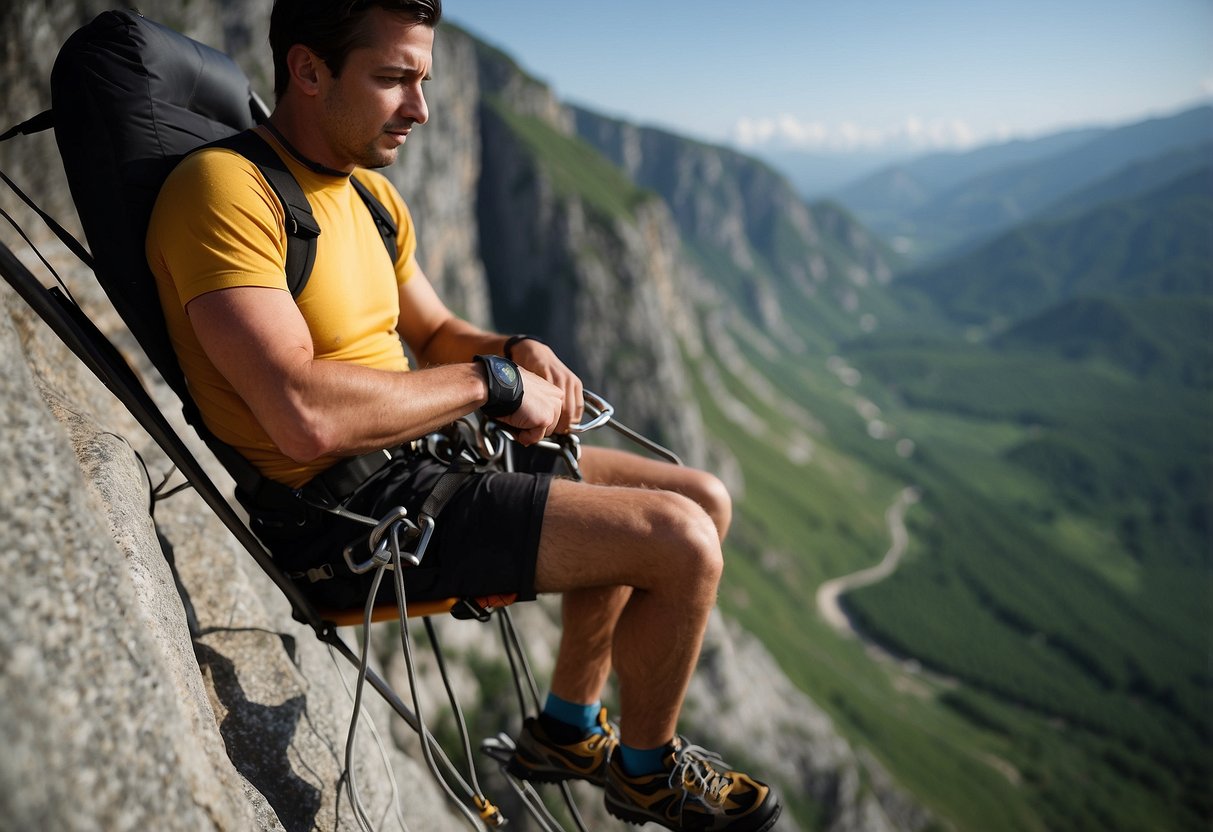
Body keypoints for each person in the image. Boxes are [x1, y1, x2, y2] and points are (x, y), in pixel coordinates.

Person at [146, 2, 781, 829]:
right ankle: (645, 774)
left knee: (703, 499)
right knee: (680, 544)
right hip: (347, 518)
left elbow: (437, 332)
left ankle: (568, 728)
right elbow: (303, 415)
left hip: (427, 466)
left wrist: (512, 349)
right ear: (307, 71)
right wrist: (490, 386)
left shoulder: (369, 200)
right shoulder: (224, 193)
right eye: (393, 79)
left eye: (424, 80)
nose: (420, 108)